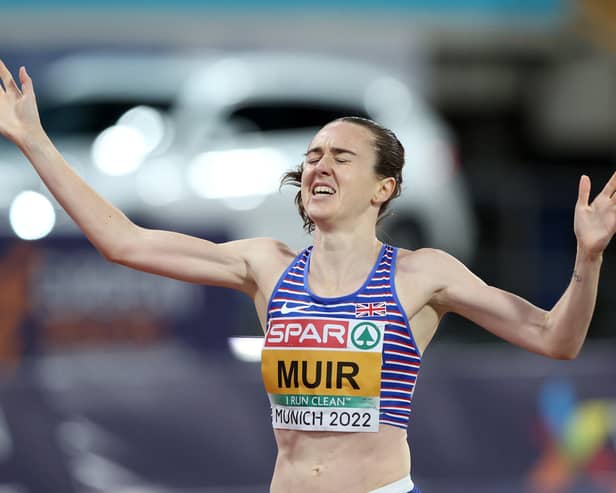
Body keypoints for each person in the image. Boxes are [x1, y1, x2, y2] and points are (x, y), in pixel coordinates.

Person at [0, 60, 614, 493]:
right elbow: (122, 241)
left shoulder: (421, 275)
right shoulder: (267, 267)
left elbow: (556, 340)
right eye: (313, 155)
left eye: (341, 156)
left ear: (384, 188)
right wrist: (35, 142)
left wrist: (586, 259)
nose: (319, 164)